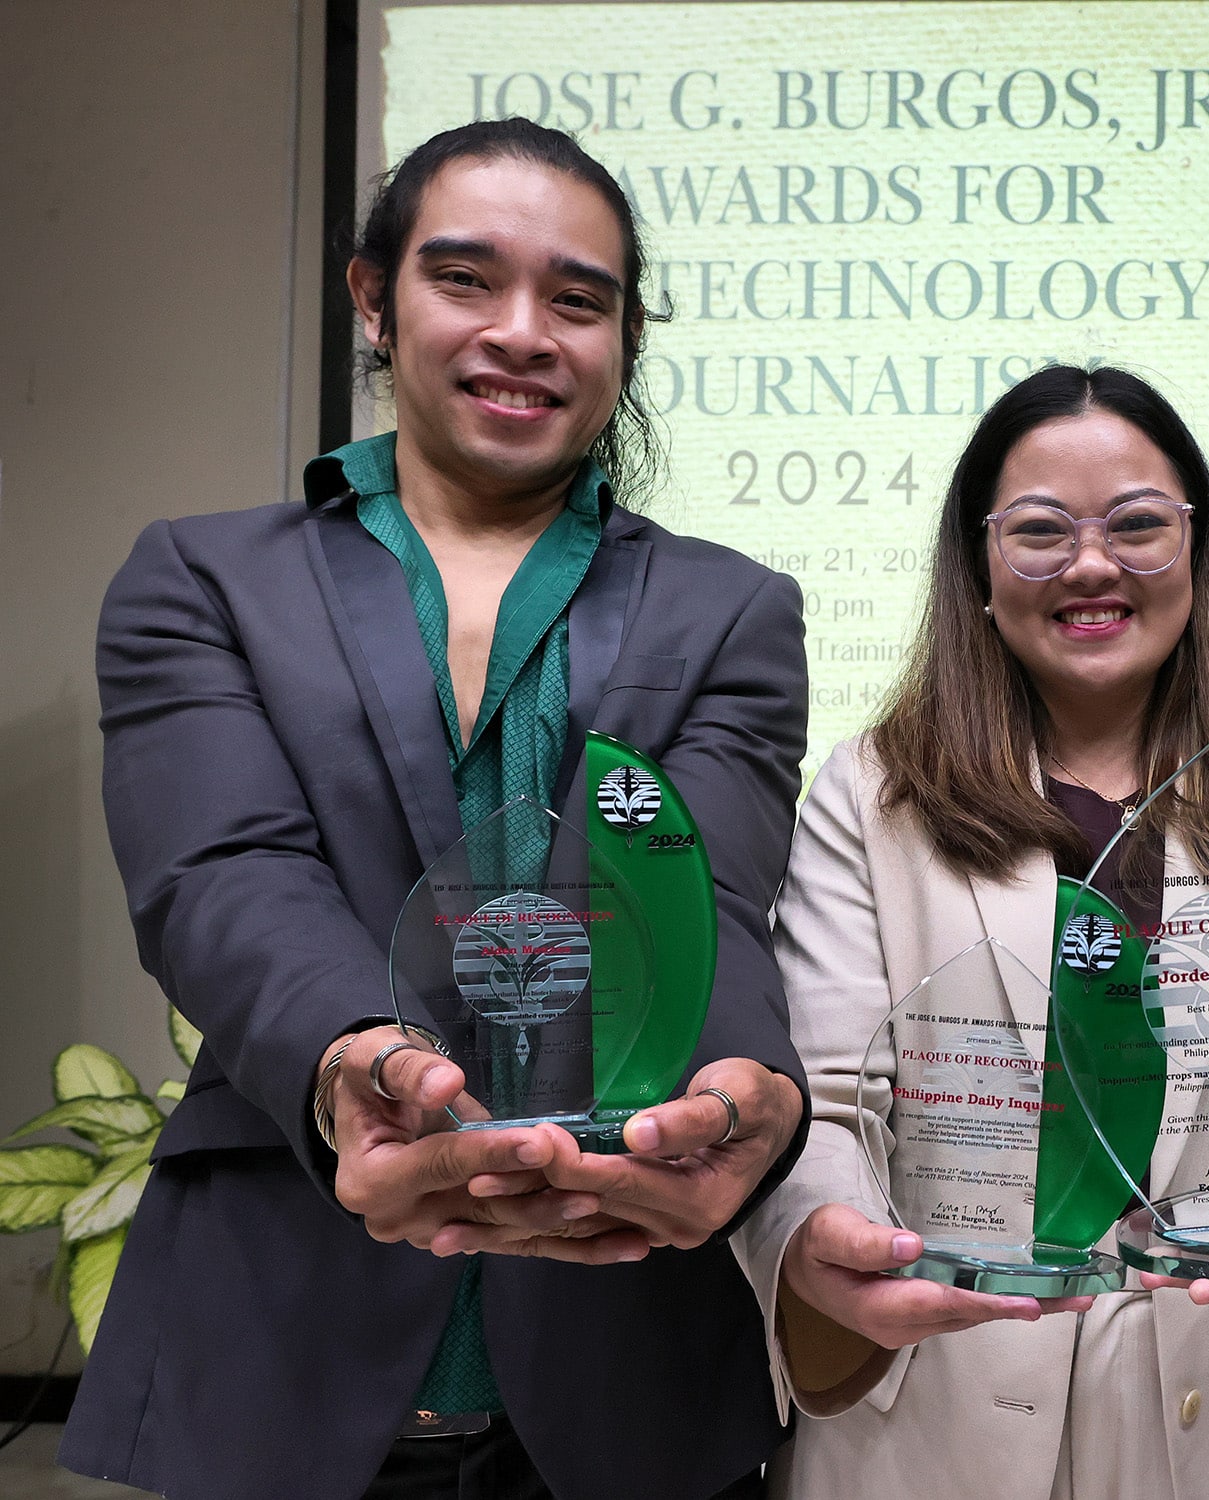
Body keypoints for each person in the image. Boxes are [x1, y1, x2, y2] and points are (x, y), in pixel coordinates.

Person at [63, 119, 810, 1500]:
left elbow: (703, 898)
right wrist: (363, 1059)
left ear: (623, 338)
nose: (523, 331)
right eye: (466, 279)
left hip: (625, 1350)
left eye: (576, 299)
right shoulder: (204, 580)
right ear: (374, 298)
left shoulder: (732, 611)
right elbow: (223, 874)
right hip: (281, 1338)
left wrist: (738, 1091)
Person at [732, 364, 1209, 1500]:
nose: (1094, 565)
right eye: (1042, 532)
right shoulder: (873, 795)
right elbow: (826, 1102)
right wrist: (833, 1253)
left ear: (1198, 555)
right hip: (942, 1411)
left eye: (1140, 527)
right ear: (980, 565)